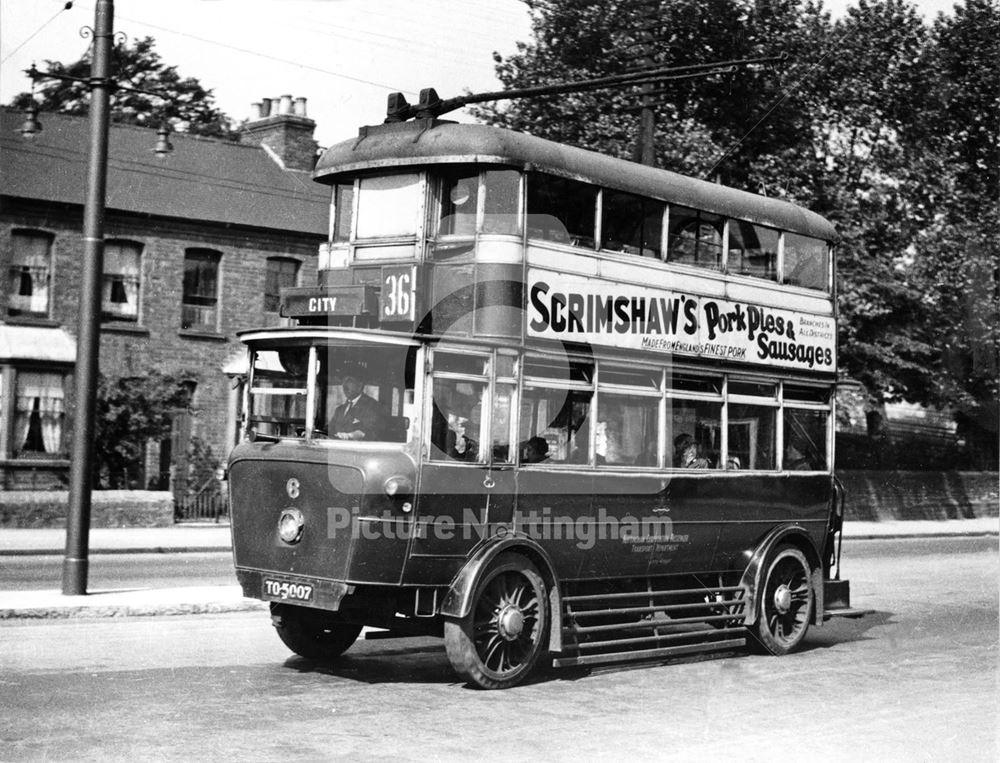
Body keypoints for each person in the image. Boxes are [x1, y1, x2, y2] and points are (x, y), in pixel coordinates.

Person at [328, 373, 384, 440]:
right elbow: (330, 430)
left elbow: (371, 431)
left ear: (360, 386)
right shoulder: (339, 410)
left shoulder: (372, 406)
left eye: (349, 380)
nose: (344, 385)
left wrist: (349, 436)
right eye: (343, 381)